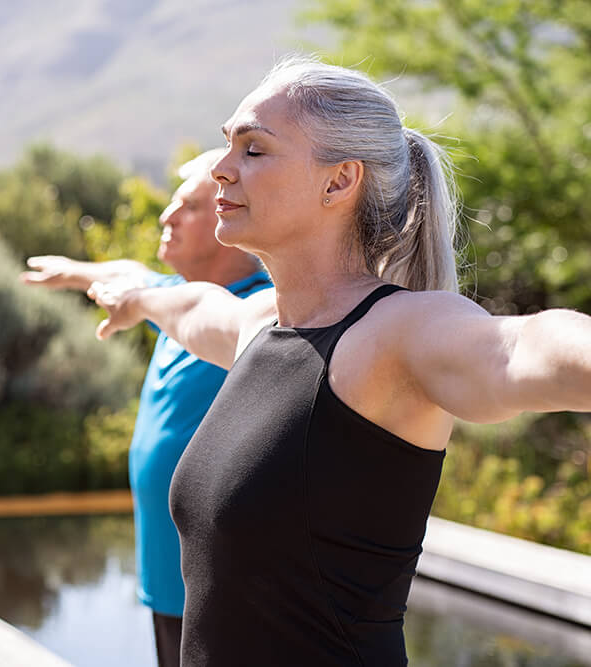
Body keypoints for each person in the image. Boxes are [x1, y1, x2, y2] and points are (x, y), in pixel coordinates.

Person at [86, 56, 591, 666]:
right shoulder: (261, 326)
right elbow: (189, 306)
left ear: (338, 181)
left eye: (253, 150)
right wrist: (135, 297)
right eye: (229, 146)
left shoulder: (396, 334)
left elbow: (523, 348)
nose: (221, 170)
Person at [21, 151, 271, 667]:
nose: (166, 217)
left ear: (233, 219)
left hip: (228, 594)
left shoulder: (260, 313)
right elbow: (130, 272)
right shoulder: (174, 297)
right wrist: (73, 272)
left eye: (188, 206)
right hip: (168, 584)